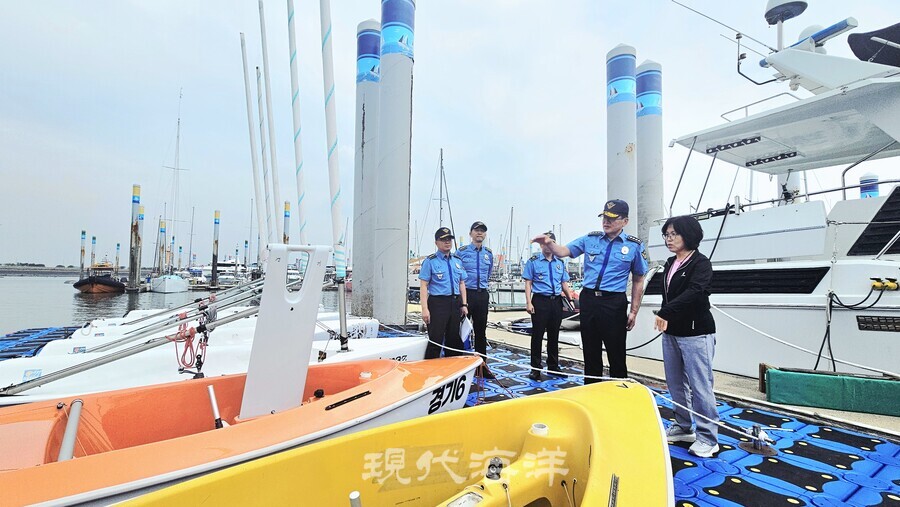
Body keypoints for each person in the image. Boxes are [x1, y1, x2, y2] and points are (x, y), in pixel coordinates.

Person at [532, 199, 648, 382]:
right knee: (590, 350)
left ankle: (619, 394)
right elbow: (563, 251)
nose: (606, 222)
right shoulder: (590, 239)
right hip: (589, 300)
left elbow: (639, 279)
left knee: (616, 351)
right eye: (604, 217)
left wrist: (634, 310)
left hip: (614, 302)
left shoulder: (634, 245)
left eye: (612, 218)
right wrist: (549, 243)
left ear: (625, 221)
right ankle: (592, 390)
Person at [654, 215, 719, 458]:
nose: (669, 239)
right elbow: (668, 296)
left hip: (696, 332)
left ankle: (708, 438)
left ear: (689, 235)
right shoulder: (670, 262)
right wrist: (665, 316)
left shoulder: (701, 263)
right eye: (666, 235)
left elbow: (695, 291)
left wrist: (665, 312)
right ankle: (683, 427)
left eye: (674, 234)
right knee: (675, 383)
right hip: (671, 332)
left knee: (700, 386)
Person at [523, 231, 575, 381]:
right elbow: (528, 283)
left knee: (554, 335)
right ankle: (536, 368)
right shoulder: (533, 261)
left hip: (556, 301)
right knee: (537, 335)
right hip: (540, 301)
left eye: (550, 242)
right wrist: (528, 302)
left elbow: (564, 282)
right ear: (541, 245)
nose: (547, 245)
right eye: (544, 243)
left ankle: (553, 366)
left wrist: (570, 299)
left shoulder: (560, 262)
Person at [420, 227, 469, 359]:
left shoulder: (457, 261)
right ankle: (431, 372)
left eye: (449, 239)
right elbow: (424, 285)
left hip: (455, 303)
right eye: (443, 240)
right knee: (435, 340)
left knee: (454, 340)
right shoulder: (430, 261)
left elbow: (461, 283)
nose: (447, 242)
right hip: (438, 304)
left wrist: (464, 304)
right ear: (436, 242)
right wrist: (425, 309)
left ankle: (452, 371)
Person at [456, 221, 495, 377]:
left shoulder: (489, 254)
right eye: (477, 230)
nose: (480, 233)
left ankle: (482, 367)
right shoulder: (462, 252)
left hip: (482, 295)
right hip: (466, 295)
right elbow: (456, 274)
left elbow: (489, 271)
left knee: (481, 332)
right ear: (470, 233)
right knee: (461, 332)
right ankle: (459, 366)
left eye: (482, 231)